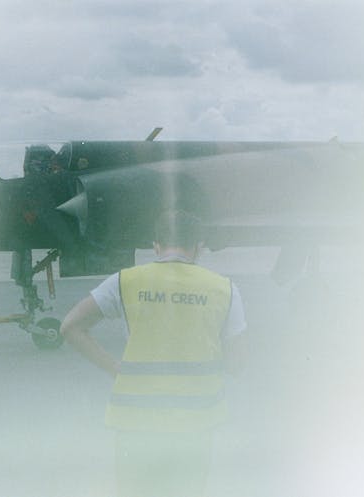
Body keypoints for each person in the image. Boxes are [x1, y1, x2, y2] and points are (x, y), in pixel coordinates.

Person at [60, 209, 246, 497]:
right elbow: (236, 364)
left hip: (135, 421)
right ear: (198, 245)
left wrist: (113, 367)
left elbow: (70, 327)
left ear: (155, 246)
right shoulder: (225, 289)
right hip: (196, 423)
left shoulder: (124, 281)